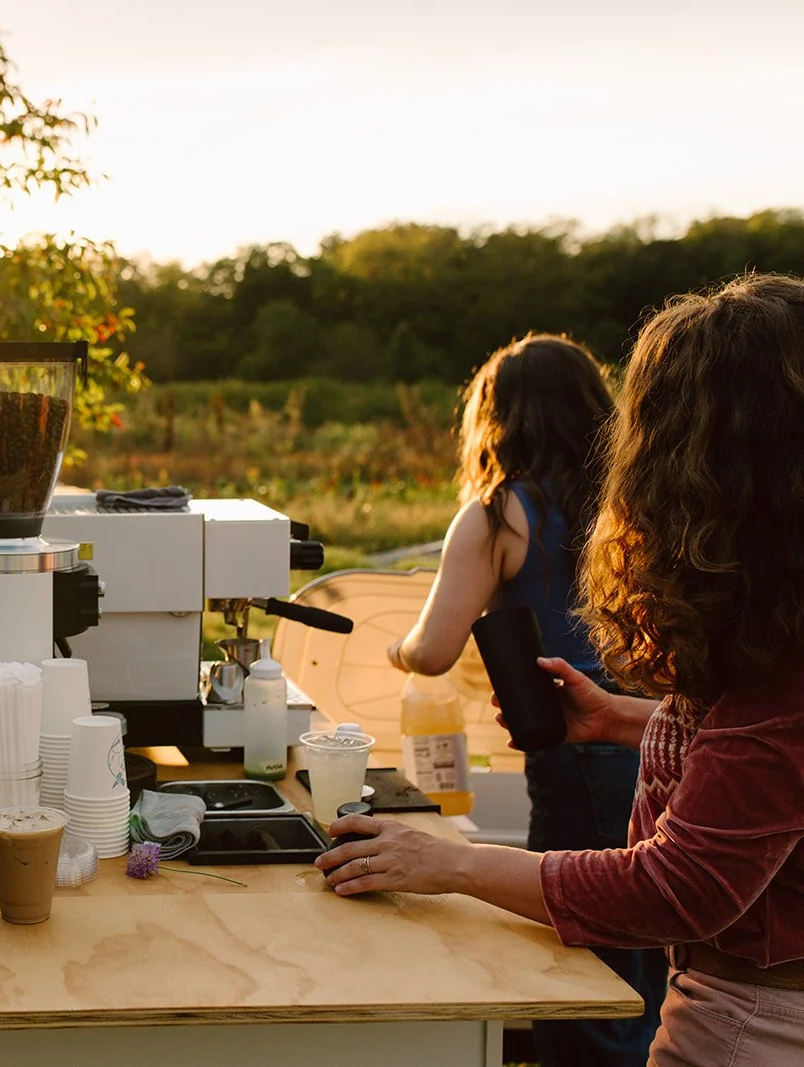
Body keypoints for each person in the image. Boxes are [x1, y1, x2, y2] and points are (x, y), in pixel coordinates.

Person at [320, 274, 804, 1065]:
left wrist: (449, 862)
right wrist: (619, 716)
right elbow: (763, 757)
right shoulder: (777, 608)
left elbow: (675, 889)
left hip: (756, 1021)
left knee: (589, 1000)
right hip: (742, 998)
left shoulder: (785, 654)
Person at [383, 334, 665, 1065]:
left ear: (498, 420)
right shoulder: (640, 501)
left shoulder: (498, 512)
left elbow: (435, 648)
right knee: (653, 954)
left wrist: (396, 647)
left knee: (581, 954)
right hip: (662, 736)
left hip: (573, 743)